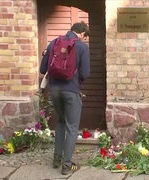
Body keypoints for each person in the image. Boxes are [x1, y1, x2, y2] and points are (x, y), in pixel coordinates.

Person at [39, 22, 90, 175]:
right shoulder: (81, 47)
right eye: (85, 37)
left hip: (54, 90)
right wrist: (76, 80)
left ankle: (56, 159)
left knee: (61, 122)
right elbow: (85, 73)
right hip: (71, 90)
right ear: (82, 34)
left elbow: (43, 69)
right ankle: (66, 165)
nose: (84, 40)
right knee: (72, 127)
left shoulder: (54, 42)